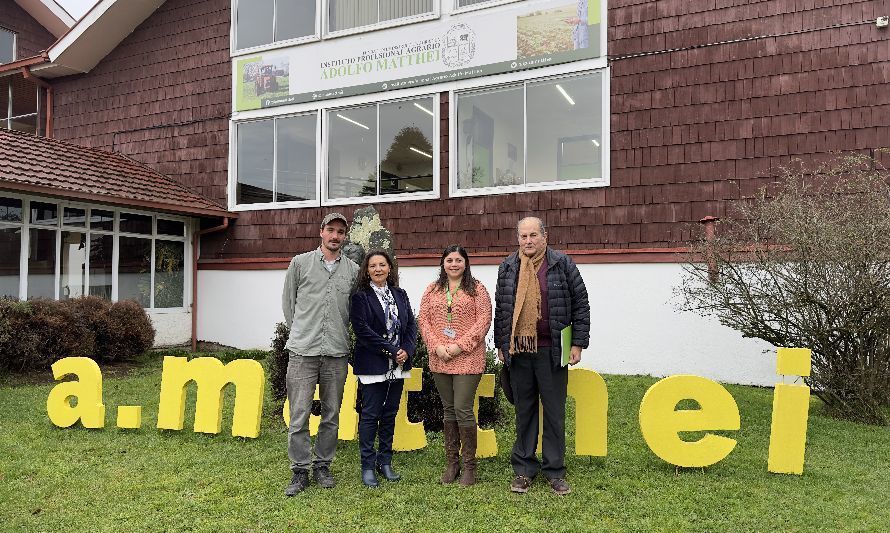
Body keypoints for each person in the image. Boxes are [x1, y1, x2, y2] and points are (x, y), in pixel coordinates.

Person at [494, 217, 590, 496]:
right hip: (520, 351)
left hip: (553, 350)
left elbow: (581, 304)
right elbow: (503, 308)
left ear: (544, 237)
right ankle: (524, 470)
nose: (528, 241)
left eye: (533, 235)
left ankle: (554, 470)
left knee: (554, 413)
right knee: (524, 411)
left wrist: (578, 343)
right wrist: (502, 343)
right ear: (518, 240)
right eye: (523, 236)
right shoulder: (508, 266)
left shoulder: (562, 263)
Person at [281, 212, 359, 496]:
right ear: (321, 232)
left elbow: (353, 311)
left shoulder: (352, 270)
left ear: (345, 236)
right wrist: (302, 333)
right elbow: (289, 305)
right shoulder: (300, 264)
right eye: (331, 230)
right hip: (303, 351)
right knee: (299, 413)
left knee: (331, 414)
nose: (335, 236)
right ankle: (300, 470)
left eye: (341, 231)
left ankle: (323, 465)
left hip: (336, 353)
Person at [418, 245, 492, 486]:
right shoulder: (432, 289)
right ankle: (452, 464)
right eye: (449, 260)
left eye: (458, 260)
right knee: (448, 409)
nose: (453, 264)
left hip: (468, 358)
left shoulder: (477, 289)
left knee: (462, 408)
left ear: (466, 263)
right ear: (443, 263)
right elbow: (424, 320)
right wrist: (436, 346)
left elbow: (483, 321)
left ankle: (470, 467)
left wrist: (459, 346)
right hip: (440, 357)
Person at [350, 249, 418, 488]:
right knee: (370, 416)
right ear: (366, 271)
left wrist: (406, 350)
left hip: (398, 365)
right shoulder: (360, 297)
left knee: (390, 413)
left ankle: (385, 462)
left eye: (382, 265)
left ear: (390, 268)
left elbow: (411, 326)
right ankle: (367, 466)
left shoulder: (400, 294)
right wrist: (391, 349)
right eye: (373, 266)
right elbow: (362, 331)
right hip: (373, 364)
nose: (378, 269)